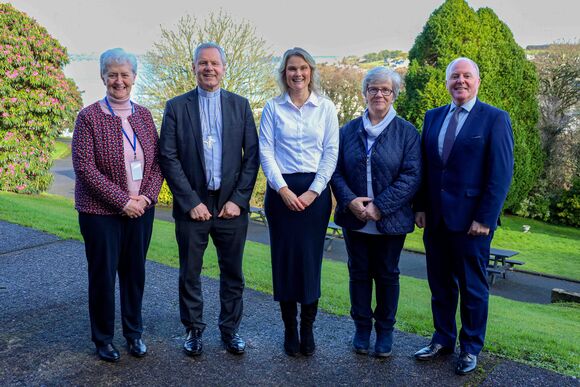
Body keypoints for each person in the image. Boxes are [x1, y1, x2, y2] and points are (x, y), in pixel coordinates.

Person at [413, 57, 514, 375]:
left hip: (473, 223)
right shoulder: (433, 117)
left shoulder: (495, 119)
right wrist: (420, 206)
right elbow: (424, 168)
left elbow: (500, 175)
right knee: (440, 285)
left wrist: (485, 217)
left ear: (477, 81)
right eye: (454, 76)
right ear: (446, 82)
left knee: (473, 287)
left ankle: (470, 348)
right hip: (437, 220)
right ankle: (443, 339)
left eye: (467, 76)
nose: (461, 81)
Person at [159, 42, 259, 356]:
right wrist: (191, 201)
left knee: (233, 274)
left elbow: (252, 158)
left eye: (215, 63)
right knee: (190, 272)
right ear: (194, 67)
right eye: (203, 63)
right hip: (193, 208)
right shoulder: (176, 106)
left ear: (224, 68)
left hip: (231, 208)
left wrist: (238, 200)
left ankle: (230, 331)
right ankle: (193, 330)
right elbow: (168, 157)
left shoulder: (240, 106)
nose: (209, 69)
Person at [72, 48, 163, 362]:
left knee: (134, 274)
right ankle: (103, 339)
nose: (119, 81)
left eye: (125, 74)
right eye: (113, 74)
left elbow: (157, 165)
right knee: (103, 276)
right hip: (100, 214)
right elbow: (85, 168)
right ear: (102, 76)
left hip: (141, 211)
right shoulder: (88, 117)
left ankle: (134, 335)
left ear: (135, 77)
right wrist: (123, 201)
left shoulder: (144, 115)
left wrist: (145, 199)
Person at [331, 67, 421, 357]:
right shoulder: (347, 130)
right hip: (354, 218)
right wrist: (350, 201)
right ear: (364, 93)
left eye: (386, 90)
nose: (379, 94)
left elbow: (411, 175)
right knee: (358, 273)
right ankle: (361, 328)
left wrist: (380, 207)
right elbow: (336, 170)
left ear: (394, 95)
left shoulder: (407, 132)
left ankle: (385, 331)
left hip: (390, 220)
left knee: (386, 275)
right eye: (373, 89)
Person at [259, 47, 339, 356]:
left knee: (309, 263)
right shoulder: (272, 107)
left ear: (311, 71)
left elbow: (331, 152)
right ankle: (289, 329)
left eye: (303, 68)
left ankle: (307, 328)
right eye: (292, 68)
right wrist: (282, 189)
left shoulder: (326, 108)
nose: (298, 73)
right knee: (285, 263)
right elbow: (266, 151)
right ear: (284, 73)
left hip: (315, 195)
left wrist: (314, 190)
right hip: (281, 193)